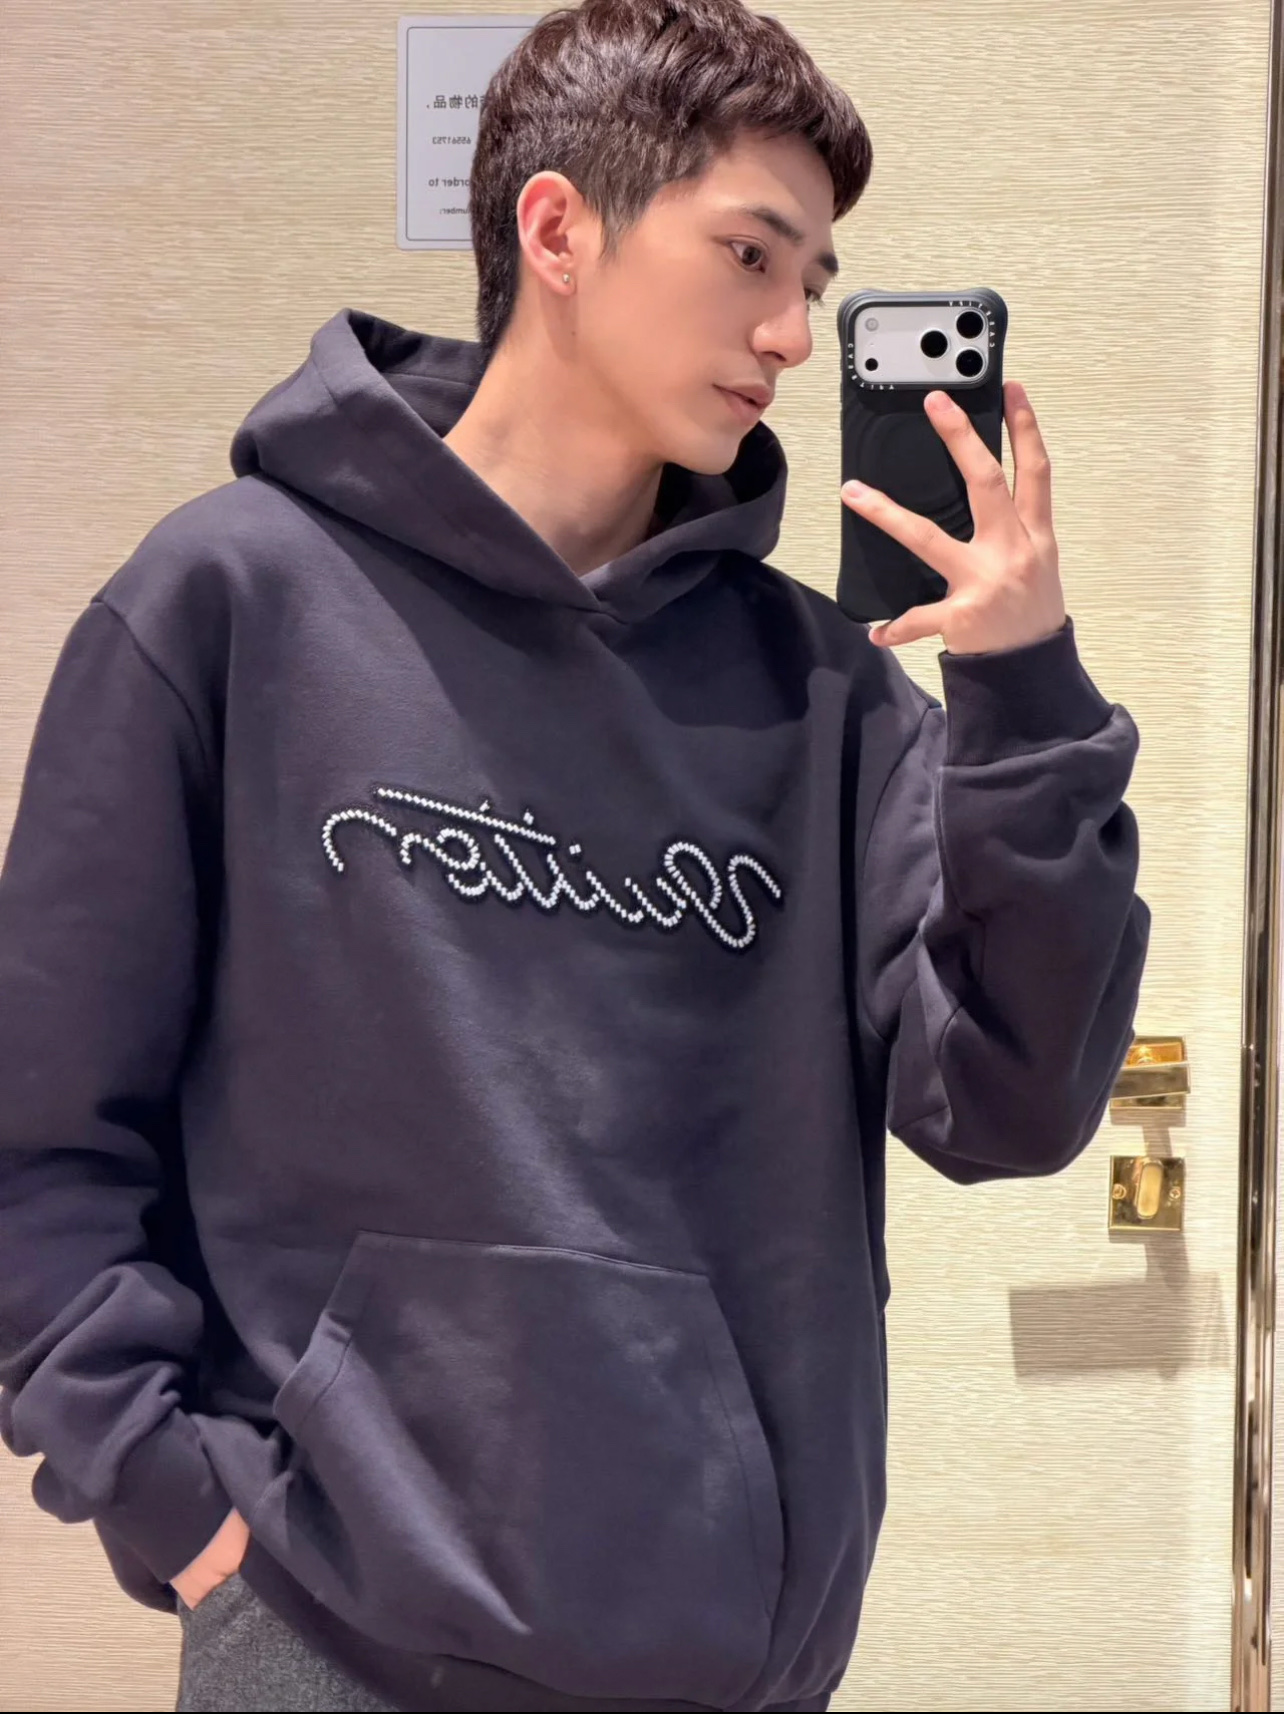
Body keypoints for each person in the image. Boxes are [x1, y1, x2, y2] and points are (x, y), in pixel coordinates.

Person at [0, 0, 1150, 1710]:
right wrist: (179, 1509)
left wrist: (1025, 690)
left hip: (724, 1667)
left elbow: (1011, 1105)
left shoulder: (825, 694)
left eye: (815, 284)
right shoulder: (228, 604)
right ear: (557, 229)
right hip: (325, 1639)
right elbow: (41, 1134)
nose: (790, 333)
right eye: (749, 254)